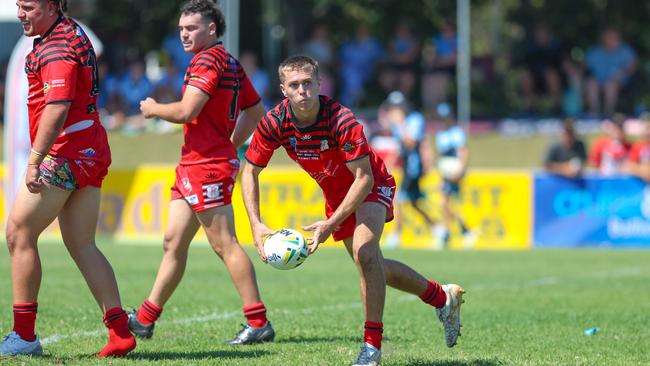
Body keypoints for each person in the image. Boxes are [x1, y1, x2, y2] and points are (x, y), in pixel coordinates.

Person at [240, 55, 464, 366]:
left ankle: (371, 347)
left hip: (371, 185)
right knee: (374, 267)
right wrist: (256, 224)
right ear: (283, 90)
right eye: (295, 85)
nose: (303, 90)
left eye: (308, 83)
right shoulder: (275, 122)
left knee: (364, 253)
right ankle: (443, 298)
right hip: (337, 196)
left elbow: (364, 178)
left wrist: (330, 224)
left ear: (319, 84)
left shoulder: (341, 120)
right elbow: (248, 170)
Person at [127, 0, 274, 345]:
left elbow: (186, 110)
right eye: (181, 29)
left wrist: (152, 109)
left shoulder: (207, 60)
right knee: (173, 242)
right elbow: (255, 111)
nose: (184, 34)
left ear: (212, 28)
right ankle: (146, 319)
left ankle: (258, 321)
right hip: (195, 164)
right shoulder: (230, 63)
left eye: (191, 28)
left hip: (206, 167)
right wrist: (231, 145)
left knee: (225, 244)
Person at [1, 0, 136, 357]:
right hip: (88, 148)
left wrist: (34, 161)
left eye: (28, 6)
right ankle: (120, 332)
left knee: (18, 232)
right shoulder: (67, 32)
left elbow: (57, 107)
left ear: (50, 6)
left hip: (64, 152)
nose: (20, 13)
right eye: (18, 5)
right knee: (82, 244)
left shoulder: (58, 45)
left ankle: (24, 336)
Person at [379, 91, 436, 248]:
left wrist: (401, 124)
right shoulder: (398, 124)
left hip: (414, 166)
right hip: (407, 166)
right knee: (415, 203)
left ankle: (395, 235)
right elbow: (400, 148)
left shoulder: (414, 120)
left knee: (399, 199)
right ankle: (438, 229)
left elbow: (411, 143)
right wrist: (388, 164)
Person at [434, 110, 476, 249]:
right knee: (444, 204)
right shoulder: (440, 135)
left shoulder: (457, 133)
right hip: (446, 172)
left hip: (455, 172)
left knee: (446, 203)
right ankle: (457, 231)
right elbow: (441, 156)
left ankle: (459, 231)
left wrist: (461, 169)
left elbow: (463, 151)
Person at [585, 28, 637, 116]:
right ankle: (594, 112)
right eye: (608, 37)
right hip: (598, 81)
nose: (610, 39)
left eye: (613, 37)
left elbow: (633, 66)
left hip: (619, 82)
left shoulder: (625, 51)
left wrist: (621, 73)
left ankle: (608, 113)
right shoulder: (595, 51)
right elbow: (585, 66)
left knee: (610, 84)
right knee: (591, 83)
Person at [625, 115, 650, 182]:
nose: (648, 132)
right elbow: (630, 165)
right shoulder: (638, 146)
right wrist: (642, 171)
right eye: (647, 128)